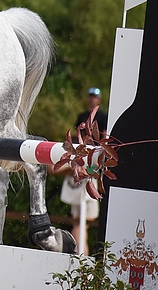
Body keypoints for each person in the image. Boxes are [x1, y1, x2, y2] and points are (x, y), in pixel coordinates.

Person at [58, 87, 106, 254]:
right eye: (90, 96)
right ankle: (81, 255)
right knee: (79, 222)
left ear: (98, 99)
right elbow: (78, 140)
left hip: (93, 161)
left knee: (81, 222)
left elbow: (103, 139)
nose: (92, 99)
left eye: (95, 97)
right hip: (82, 162)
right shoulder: (81, 116)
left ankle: (80, 254)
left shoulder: (103, 117)